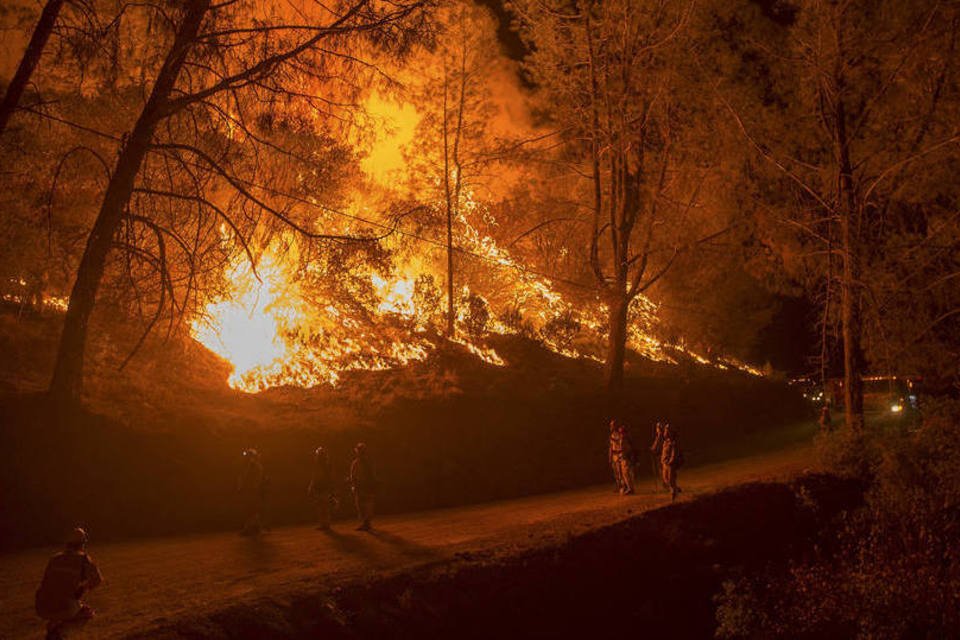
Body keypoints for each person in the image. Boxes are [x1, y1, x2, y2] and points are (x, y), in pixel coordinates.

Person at [35, 527, 102, 640]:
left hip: (41, 605)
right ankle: (59, 633)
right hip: (64, 605)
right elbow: (97, 580)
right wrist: (83, 588)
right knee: (87, 613)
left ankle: (53, 626)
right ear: (82, 543)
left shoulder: (55, 558)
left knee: (60, 604)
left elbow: (47, 583)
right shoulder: (83, 559)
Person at [237, 448, 267, 535]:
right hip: (251, 491)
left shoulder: (255, 466)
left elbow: (253, 479)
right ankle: (253, 528)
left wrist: (244, 487)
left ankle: (253, 528)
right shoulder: (251, 466)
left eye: (250, 456)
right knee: (251, 510)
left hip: (253, 491)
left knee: (253, 510)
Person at [349, 443, 377, 531]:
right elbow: (353, 475)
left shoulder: (361, 463)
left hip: (363, 487)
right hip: (363, 487)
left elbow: (354, 475)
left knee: (364, 505)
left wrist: (354, 483)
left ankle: (366, 523)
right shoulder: (360, 462)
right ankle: (366, 523)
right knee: (363, 506)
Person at [308, 446, 336, 530]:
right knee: (322, 507)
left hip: (323, 488)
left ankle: (325, 524)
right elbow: (315, 477)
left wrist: (311, 486)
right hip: (321, 488)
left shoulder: (324, 466)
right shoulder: (324, 466)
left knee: (323, 507)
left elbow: (316, 478)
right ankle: (324, 524)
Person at [661, 424, 684, 501]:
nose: (665, 432)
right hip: (665, 463)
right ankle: (675, 490)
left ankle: (674, 494)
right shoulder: (666, 441)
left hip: (670, 464)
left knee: (671, 480)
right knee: (665, 479)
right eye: (665, 430)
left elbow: (674, 453)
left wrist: (671, 461)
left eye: (667, 430)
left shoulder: (674, 442)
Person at [617, 422, 636, 495]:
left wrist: (625, 455)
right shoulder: (623, 439)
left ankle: (630, 488)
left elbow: (627, 449)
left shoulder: (625, 439)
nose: (620, 433)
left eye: (621, 432)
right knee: (625, 474)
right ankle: (629, 488)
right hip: (623, 458)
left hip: (626, 459)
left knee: (627, 474)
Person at [608, 420, 624, 493]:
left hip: (619, 454)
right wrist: (610, 456)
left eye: (612, 425)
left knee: (620, 472)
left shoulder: (620, 434)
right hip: (614, 455)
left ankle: (623, 486)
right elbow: (611, 447)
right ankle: (619, 486)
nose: (611, 427)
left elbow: (619, 443)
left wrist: (614, 440)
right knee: (616, 473)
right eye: (611, 425)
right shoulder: (611, 435)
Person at [650, 422, 665, 491]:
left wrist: (652, 448)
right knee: (661, 470)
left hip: (661, 455)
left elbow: (656, 446)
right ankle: (665, 483)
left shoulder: (660, 436)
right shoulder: (660, 436)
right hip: (660, 455)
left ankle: (666, 484)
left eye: (657, 428)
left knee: (662, 470)